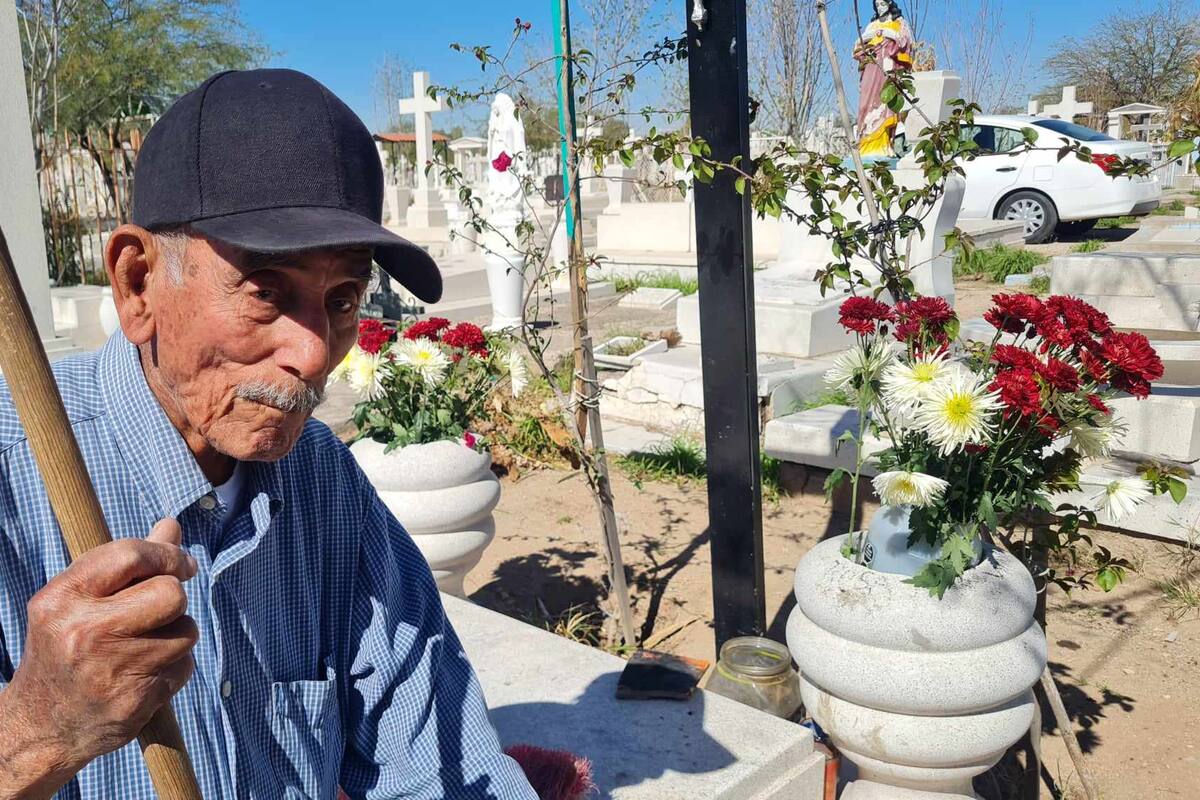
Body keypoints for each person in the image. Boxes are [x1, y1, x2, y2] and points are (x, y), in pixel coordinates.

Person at [0, 69, 537, 799]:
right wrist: (38, 729)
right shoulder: (15, 478)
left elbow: (438, 763)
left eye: (342, 299)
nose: (314, 354)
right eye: (265, 291)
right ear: (137, 283)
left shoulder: (324, 481)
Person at [854, 0, 914, 159]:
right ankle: (865, 144)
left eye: (883, 4)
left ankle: (884, 145)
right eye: (877, 4)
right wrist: (866, 38)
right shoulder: (871, 25)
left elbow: (905, 42)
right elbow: (857, 46)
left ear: (890, 4)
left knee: (885, 103)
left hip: (887, 68)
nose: (880, 8)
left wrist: (888, 34)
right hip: (871, 67)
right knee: (865, 105)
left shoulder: (898, 22)